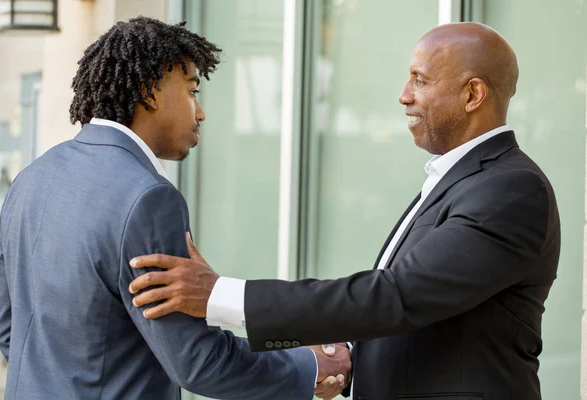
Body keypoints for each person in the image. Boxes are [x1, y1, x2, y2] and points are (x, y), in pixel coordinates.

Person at [128, 22, 561, 400]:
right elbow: (419, 311)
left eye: (420, 80)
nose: (404, 95)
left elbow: (398, 296)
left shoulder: (510, 189)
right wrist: (346, 360)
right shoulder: (466, 181)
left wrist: (220, 294)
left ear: (473, 94)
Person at [0, 17, 350, 400]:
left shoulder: (31, 177)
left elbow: (10, 334)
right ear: (150, 91)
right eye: (192, 91)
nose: (200, 113)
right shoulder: (147, 198)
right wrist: (310, 364)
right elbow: (198, 363)